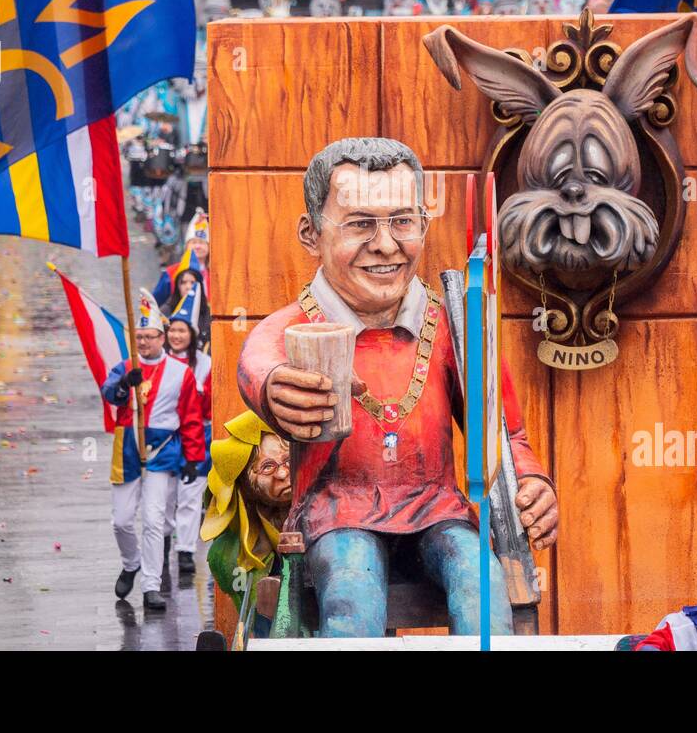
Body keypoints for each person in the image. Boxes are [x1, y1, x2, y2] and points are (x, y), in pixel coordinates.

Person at [236, 138, 557, 637]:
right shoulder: (300, 326)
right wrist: (278, 386)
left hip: (437, 508)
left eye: (402, 222)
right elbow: (259, 359)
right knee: (351, 591)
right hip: (338, 511)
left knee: (481, 587)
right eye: (361, 223)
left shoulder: (454, 322)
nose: (385, 244)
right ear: (311, 233)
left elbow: (503, 432)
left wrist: (532, 484)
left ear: (423, 226)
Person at [100, 291, 204, 611]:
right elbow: (109, 394)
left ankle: (150, 585)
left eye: (149, 336)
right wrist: (122, 385)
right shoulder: (126, 366)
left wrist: (193, 459)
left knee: (155, 519)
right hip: (129, 449)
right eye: (139, 336)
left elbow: (190, 419)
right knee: (121, 521)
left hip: (163, 451)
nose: (143, 342)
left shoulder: (181, 372)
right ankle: (131, 563)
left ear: (163, 337)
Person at [163, 295, 210, 586]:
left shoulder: (205, 364)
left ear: (191, 334)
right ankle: (166, 539)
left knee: (192, 496)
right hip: (169, 438)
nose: (177, 335)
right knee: (166, 495)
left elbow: (210, 406)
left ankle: (185, 550)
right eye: (173, 330)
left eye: (182, 330)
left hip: (199, 435)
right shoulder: (160, 361)